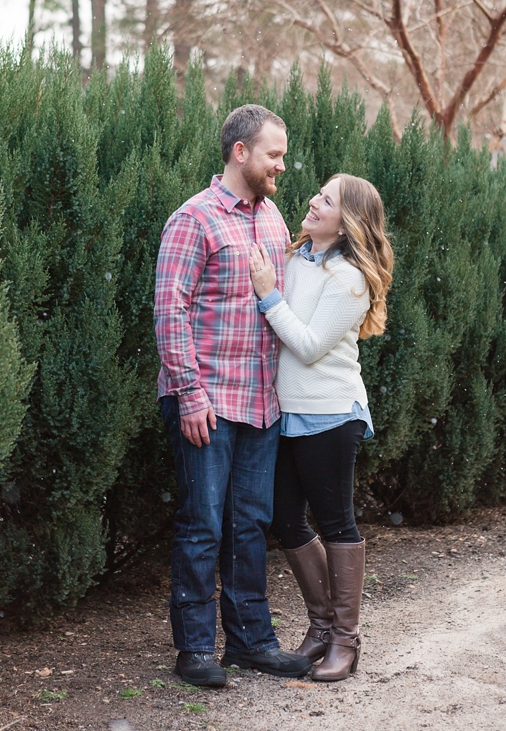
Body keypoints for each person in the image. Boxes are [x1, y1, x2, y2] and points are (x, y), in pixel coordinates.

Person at [154, 104, 312, 688]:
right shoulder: (193, 219)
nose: (282, 165)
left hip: (261, 404)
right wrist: (190, 394)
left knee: (250, 525)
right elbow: (169, 310)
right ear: (240, 152)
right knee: (202, 525)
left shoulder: (272, 219)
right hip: (208, 405)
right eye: (274, 154)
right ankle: (195, 650)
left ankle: (251, 644)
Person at [249, 173, 393, 682]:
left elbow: (308, 346)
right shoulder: (295, 258)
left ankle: (346, 641)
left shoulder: (350, 278)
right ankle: (321, 624)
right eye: (318, 193)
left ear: (347, 220)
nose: (313, 201)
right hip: (287, 414)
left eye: (326, 200)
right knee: (286, 520)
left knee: (336, 523)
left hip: (332, 414)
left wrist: (268, 296)